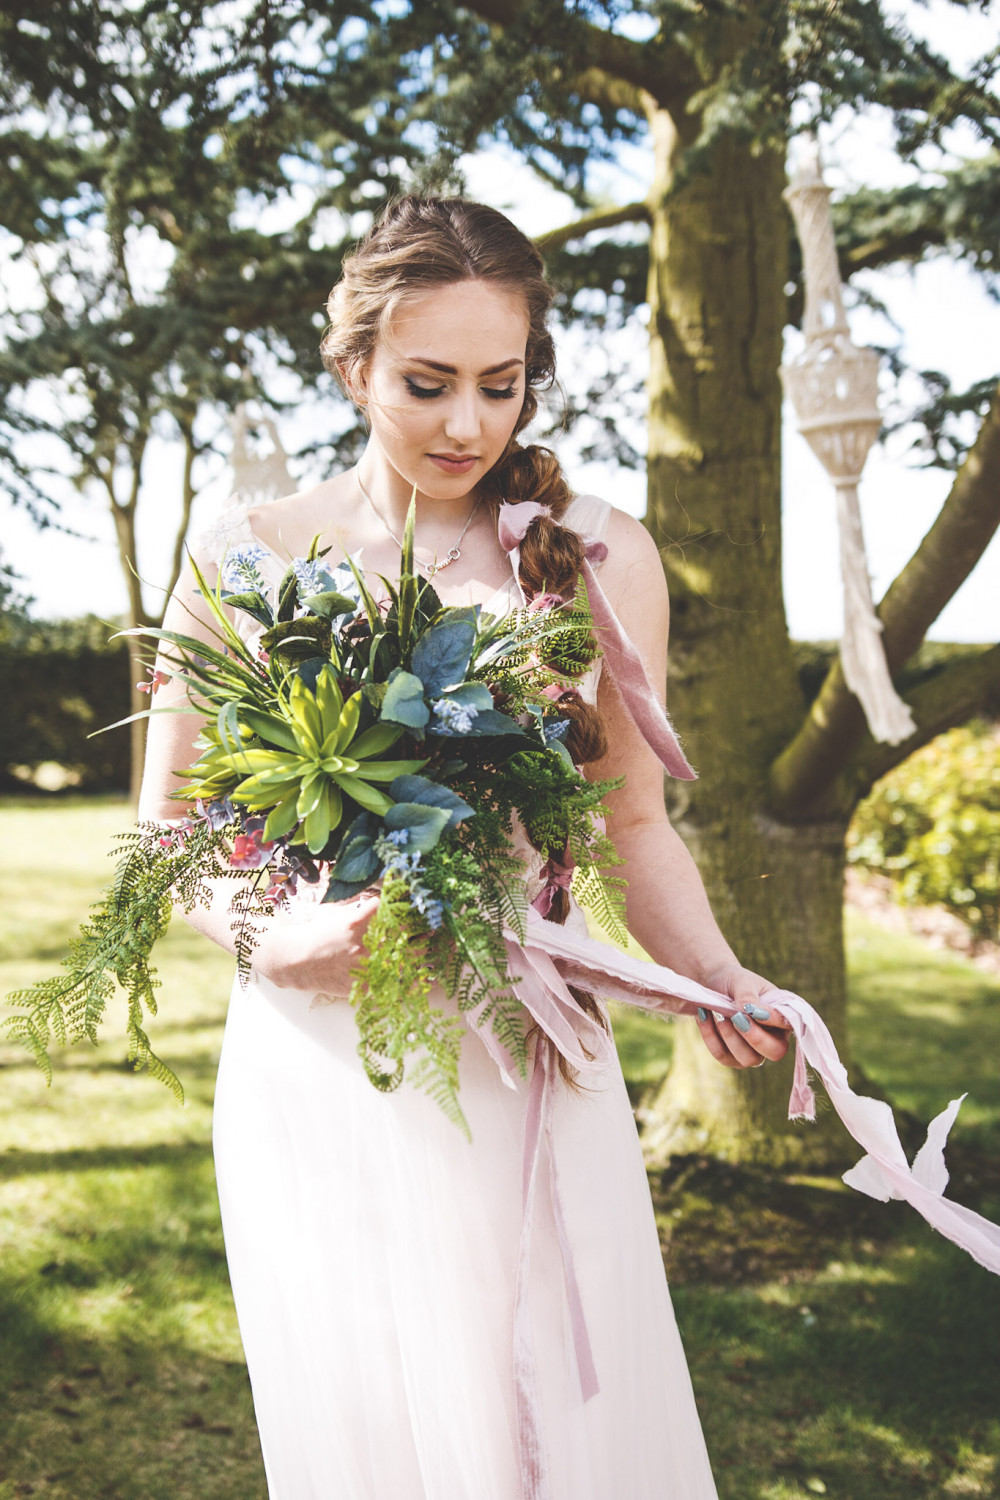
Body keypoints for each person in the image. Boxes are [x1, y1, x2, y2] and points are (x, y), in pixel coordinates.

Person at [138, 195, 791, 1500]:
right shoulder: (243, 557)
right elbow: (167, 832)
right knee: (372, 1432)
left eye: (501, 386)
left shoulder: (598, 551)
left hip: (523, 1051)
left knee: (556, 1419)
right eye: (427, 383)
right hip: (320, 1063)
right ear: (354, 365)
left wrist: (724, 973)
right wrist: (283, 934)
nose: (467, 425)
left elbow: (631, 821)